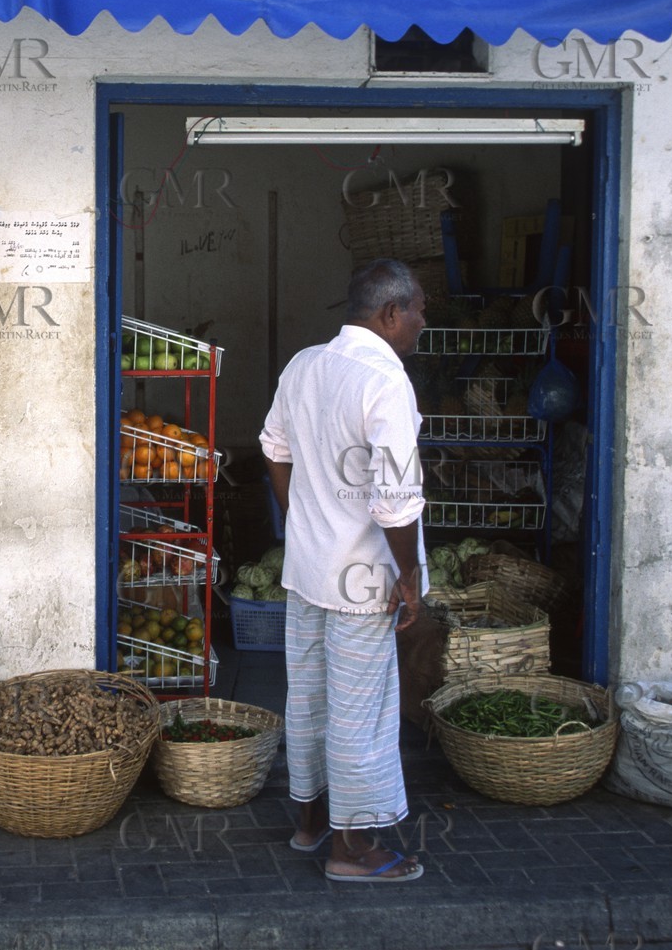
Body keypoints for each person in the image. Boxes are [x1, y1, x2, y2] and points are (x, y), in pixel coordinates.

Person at [259, 258, 428, 885]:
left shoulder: (306, 365)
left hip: (309, 570)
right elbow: (397, 499)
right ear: (390, 313)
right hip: (362, 581)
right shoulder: (384, 379)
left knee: (308, 697)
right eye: (418, 310)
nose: (421, 322)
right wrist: (408, 577)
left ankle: (310, 825)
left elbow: (273, 448)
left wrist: (300, 516)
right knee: (361, 710)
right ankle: (353, 851)